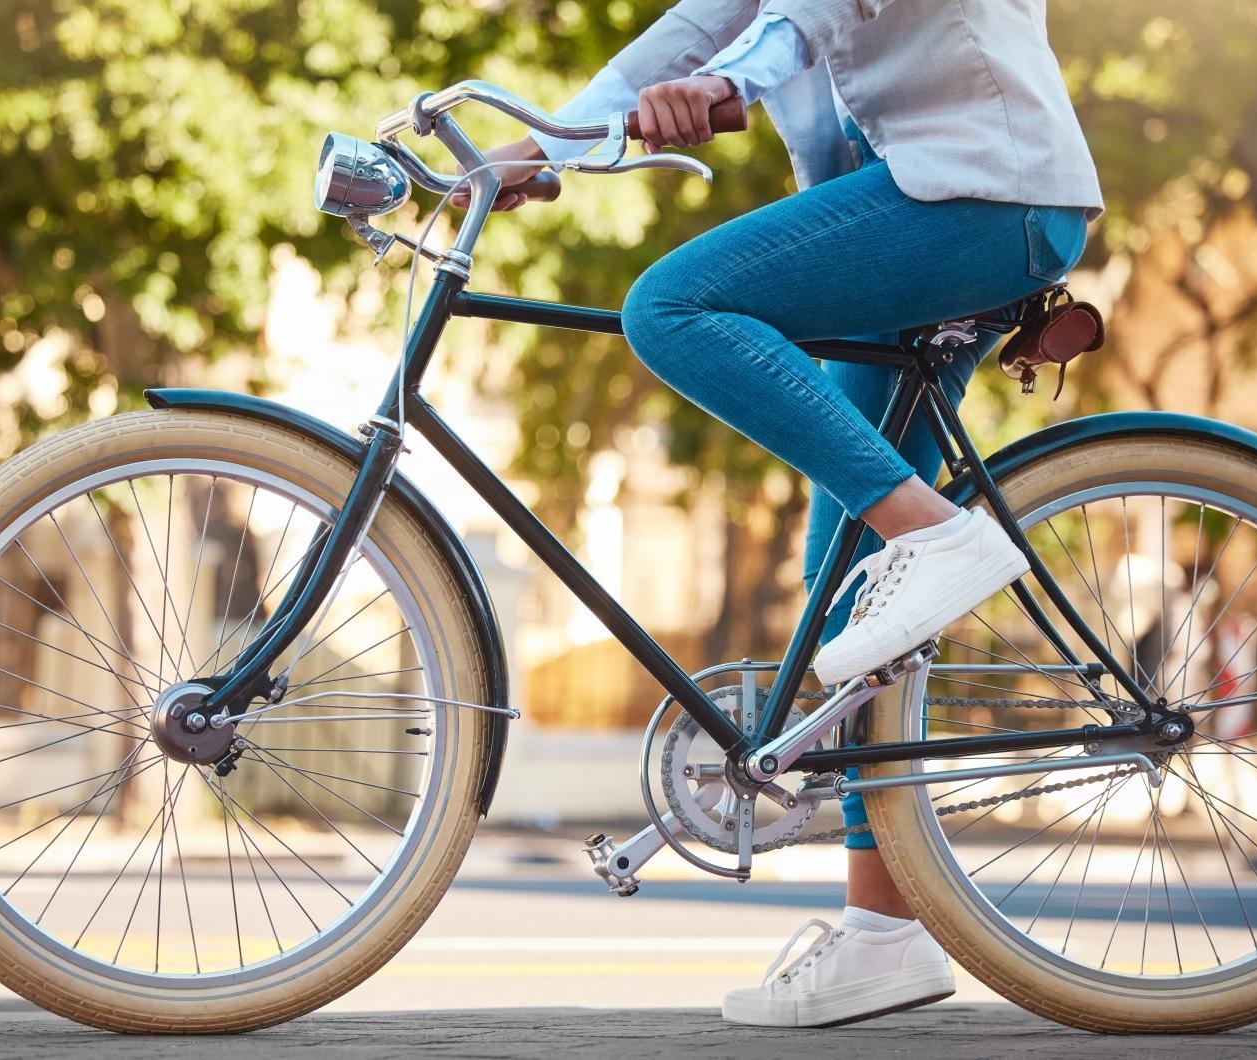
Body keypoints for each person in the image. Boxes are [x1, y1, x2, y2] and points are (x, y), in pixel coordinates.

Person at [467, 0, 1104, 1030]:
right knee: (845, 583)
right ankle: (883, 936)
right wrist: (538, 150)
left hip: (978, 196)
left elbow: (811, 12)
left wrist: (728, 88)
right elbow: (693, 26)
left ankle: (938, 532)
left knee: (673, 306)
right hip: (931, 205)